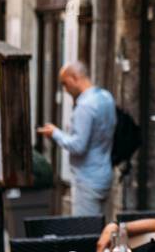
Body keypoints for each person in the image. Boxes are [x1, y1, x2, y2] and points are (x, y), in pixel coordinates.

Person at [37, 61, 116, 218]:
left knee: (85, 231)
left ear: (75, 77)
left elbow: (78, 145)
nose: (65, 89)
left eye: (65, 83)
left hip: (87, 178)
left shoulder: (85, 106)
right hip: (104, 172)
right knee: (100, 227)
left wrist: (55, 133)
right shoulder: (106, 97)